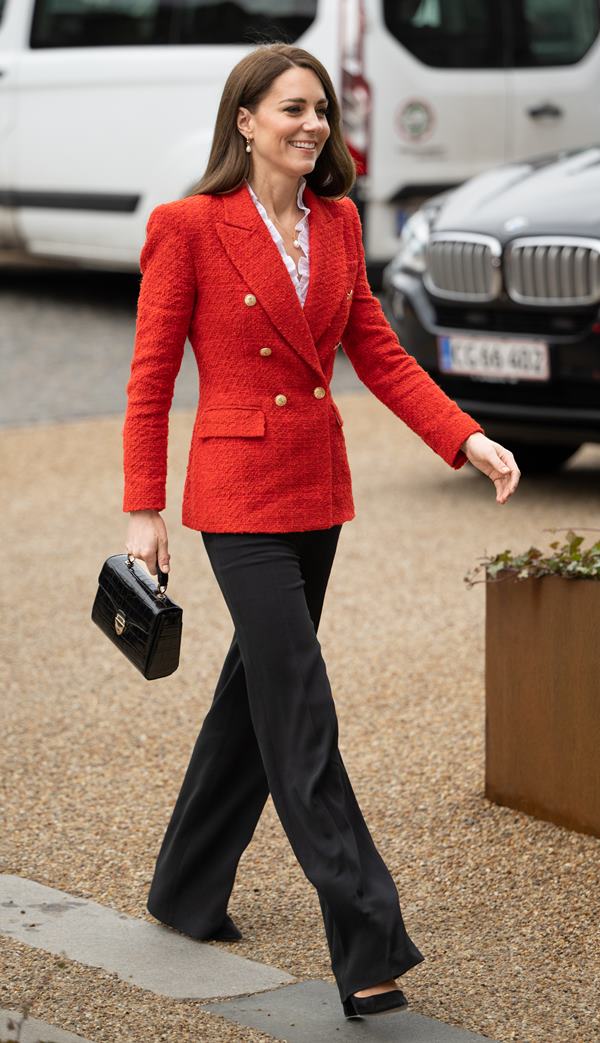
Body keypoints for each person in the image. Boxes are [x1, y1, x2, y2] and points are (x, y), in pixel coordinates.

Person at [122, 42, 520, 1021]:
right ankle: (367, 932)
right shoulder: (189, 226)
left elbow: (378, 353)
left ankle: (183, 886)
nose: (313, 125)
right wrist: (144, 507)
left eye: (322, 111)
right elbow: (148, 377)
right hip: (237, 498)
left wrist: (464, 435)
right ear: (245, 120)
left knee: (258, 690)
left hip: (315, 491)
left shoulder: (338, 223)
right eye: (293, 108)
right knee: (300, 705)